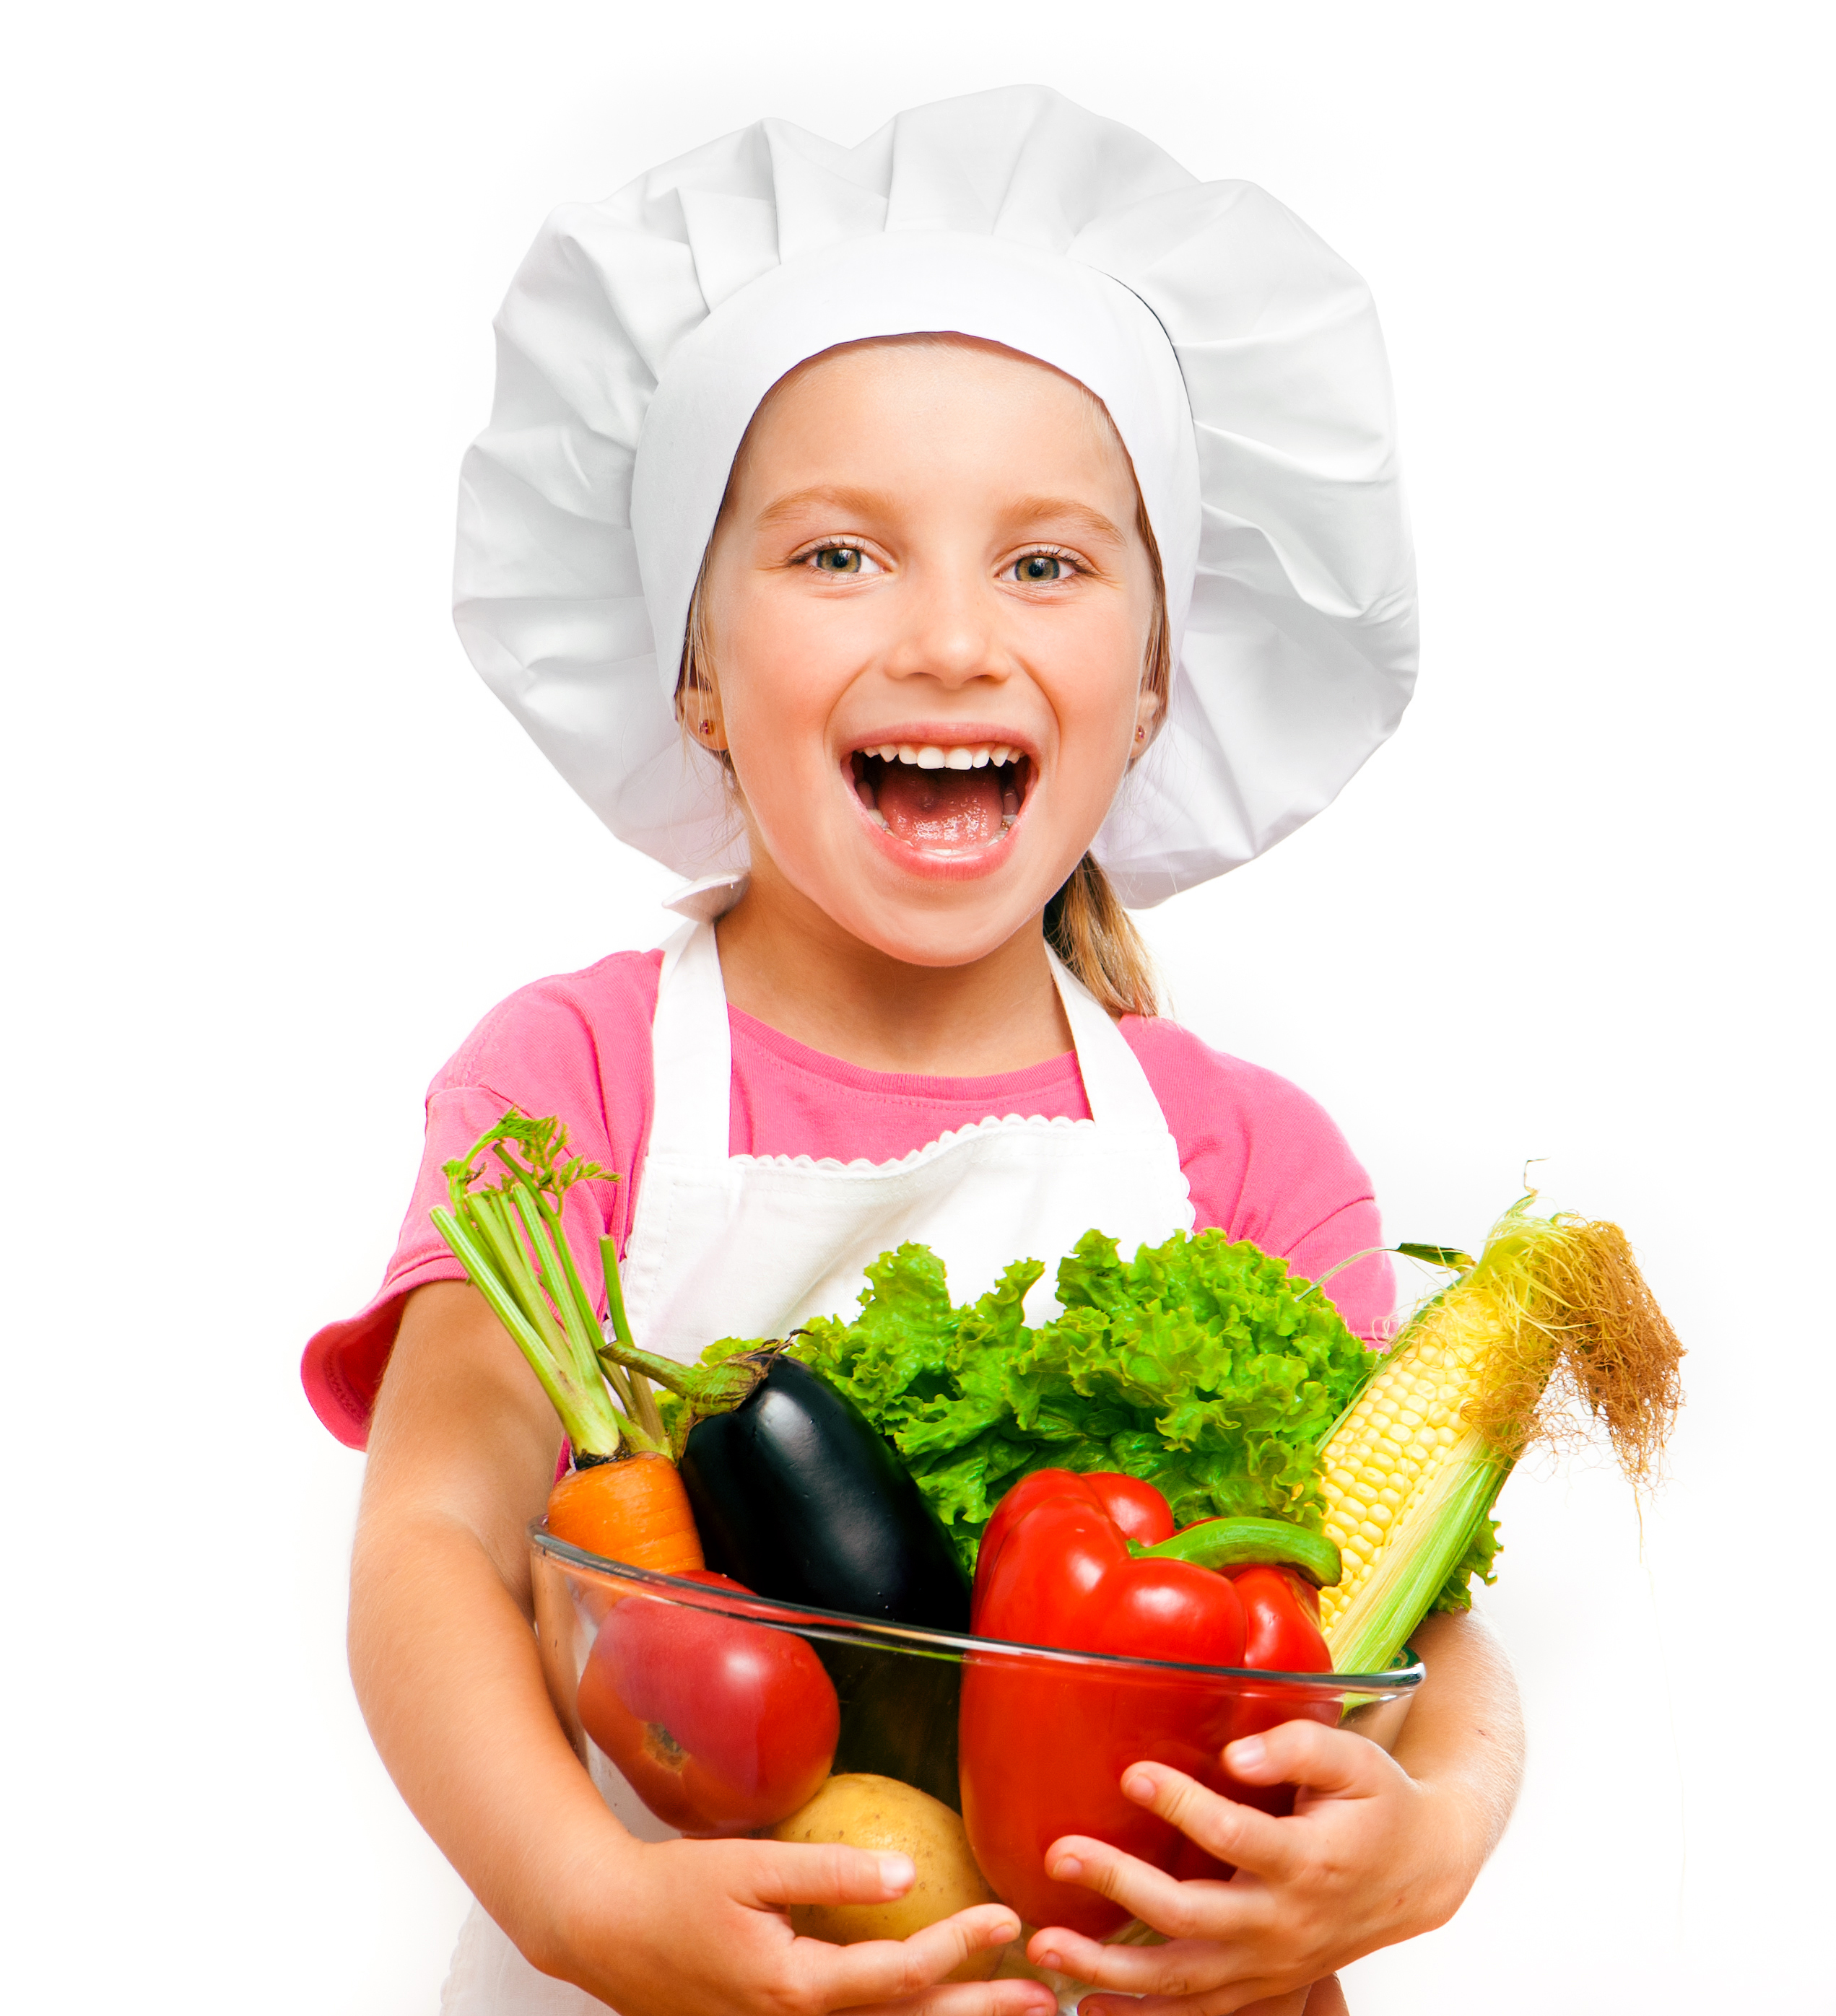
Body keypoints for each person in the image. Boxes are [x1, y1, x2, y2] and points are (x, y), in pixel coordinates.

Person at [304, 87, 1524, 2016]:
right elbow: (434, 1540)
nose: (952, 637)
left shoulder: (1247, 1158)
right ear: (692, 667)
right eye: (839, 555)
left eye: (1045, 565)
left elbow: (1411, 1633)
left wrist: (1425, 1844)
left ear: (1150, 679)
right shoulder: (580, 1078)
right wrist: (582, 1904)